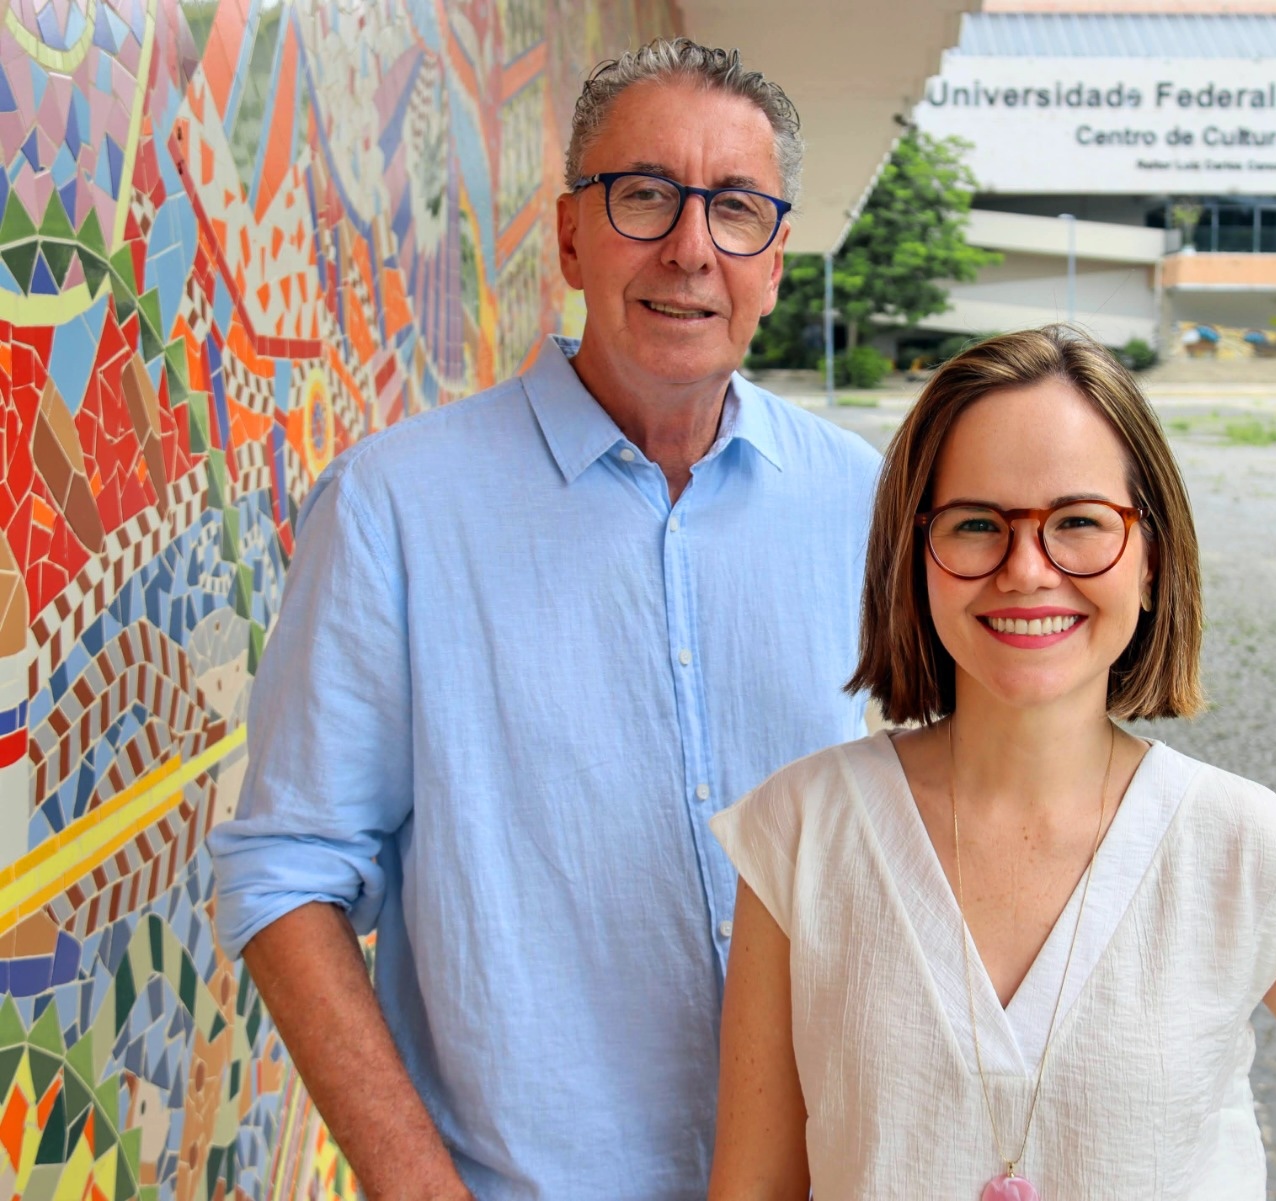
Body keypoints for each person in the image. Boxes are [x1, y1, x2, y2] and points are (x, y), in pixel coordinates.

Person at [207, 38, 881, 1201]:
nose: (689, 248)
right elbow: (285, 874)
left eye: (735, 209)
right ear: (570, 235)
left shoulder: (864, 500)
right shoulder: (395, 508)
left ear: (775, 261)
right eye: (644, 195)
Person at [708, 326, 1276, 1200]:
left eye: (1079, 521)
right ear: (914, 554)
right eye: (978, 524)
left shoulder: (1239, 844)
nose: (1026, 569)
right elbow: (756, 1181)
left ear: (1152, 559)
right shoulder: (799, 834)